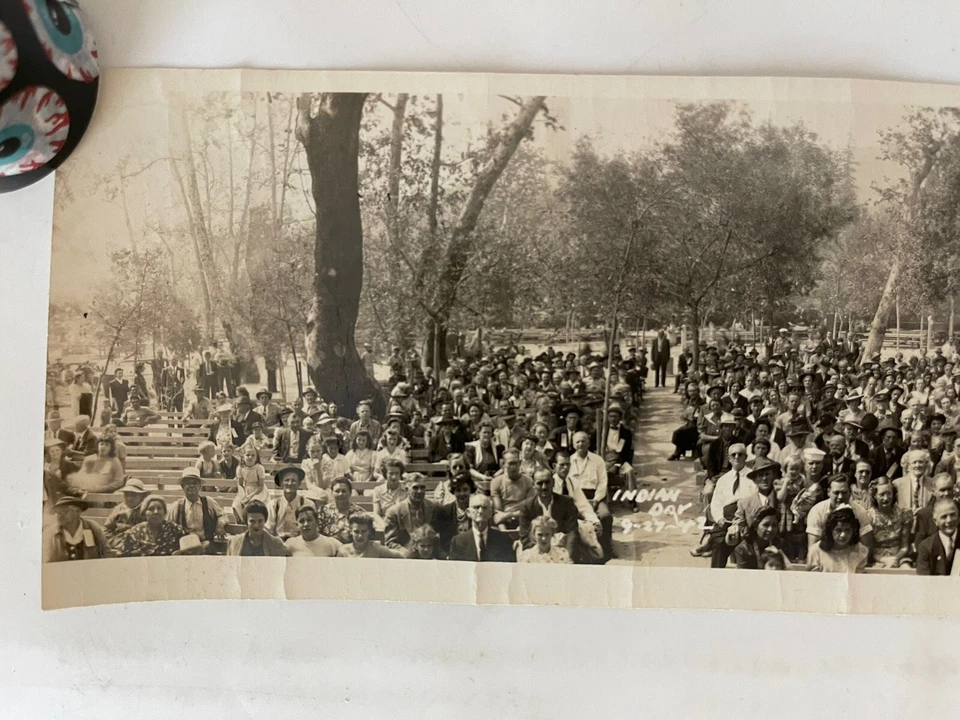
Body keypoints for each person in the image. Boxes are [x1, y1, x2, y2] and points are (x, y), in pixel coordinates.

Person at [517, 468, 579, 557]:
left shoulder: (567, 503)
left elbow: (572, 534)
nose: (544, 487)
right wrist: (540, 558)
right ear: (533, 484)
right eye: (539, 483)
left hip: (562, 554)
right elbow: (526, 538)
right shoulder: (526, 506)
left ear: (553, 482)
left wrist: (566, 558)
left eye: (547, 482)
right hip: (536, 555)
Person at [806, 475, 874, 551]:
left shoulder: (860, 511)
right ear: (828, 492)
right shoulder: (817, 511)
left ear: (850, 492)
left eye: (844, 492)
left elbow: (867, 547)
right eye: (836, 493)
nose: (840, 497)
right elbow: (813, 549)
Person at [166, 468, 226, 550]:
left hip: (207, 545)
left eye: (195, 483)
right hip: (185, 548)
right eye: (188, 483)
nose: (192, 486)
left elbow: (223, 515)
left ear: (200, 486)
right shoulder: (177, 506)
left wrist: (220, 524)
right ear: (182, 486)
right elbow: (168, 526)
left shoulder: (208, 502)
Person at [113, 495, 190, 557]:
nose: (156, 512)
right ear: (144, 513)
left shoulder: (176, 530)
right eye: (151, 509)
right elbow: (124, 557)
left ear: (165, 512)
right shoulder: (134, 533)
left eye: (159, 508)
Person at [448, 494, 516, 562]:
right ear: (468, 513)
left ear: (490, 513)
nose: (480, 511)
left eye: (484, 507)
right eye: (476, 507)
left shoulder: (503, 540)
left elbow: (508, 569)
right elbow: (454, 570)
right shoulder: (458, 542)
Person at [43, 496, 110, 562]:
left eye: (64, 511)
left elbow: (105, 552)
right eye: (57, 512)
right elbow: (46, 560)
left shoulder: (93, 528)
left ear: (78, 511)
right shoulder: (51, 533)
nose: (60, 515)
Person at [806, 506, 869, 573]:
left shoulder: (860, 550)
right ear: (830, 530)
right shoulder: (815, 551)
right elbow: (813, 579)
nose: (843, 535)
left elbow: (858, 579)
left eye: (847, 530)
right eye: (838, 530)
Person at [384, 474, 438, 550]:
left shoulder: (434, 507)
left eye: (422, 487)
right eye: (415, 488)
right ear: (407, 489)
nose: (419, 491)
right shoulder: (394, 512)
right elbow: (390, 542)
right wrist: (407, 554)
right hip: (405, 556)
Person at [868, 478, 913, 568]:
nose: (886, 498)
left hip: (899, 557)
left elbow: (905, 546)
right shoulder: (869, 517)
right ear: (875, 496)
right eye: (882, 494)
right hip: (877, 558)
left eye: (889, 493)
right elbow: (868, 549)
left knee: (906, 569)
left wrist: (894, 559)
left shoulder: (904, 515)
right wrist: (885, 560)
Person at [266, 465, 316, 540]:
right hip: (278, 542)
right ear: (281, 483)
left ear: (299, 484)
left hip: (301, 542)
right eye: (287, 480)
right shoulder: (273, 505)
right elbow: (268, 529)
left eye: (293, 480)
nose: (290, 483)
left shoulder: (308, 504)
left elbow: (312, 529)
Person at [490, 449, 535, 530]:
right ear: (503, 464)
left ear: (520, 463)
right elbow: (498, 513)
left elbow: (529, 510)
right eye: (510, 463)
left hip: (523, 520)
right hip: (503, 522)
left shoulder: (528, 481)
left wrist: (509, 515)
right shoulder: (496, 482)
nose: (513, 467)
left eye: (515, 463)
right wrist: (504, 532)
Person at [731, 506, 788, 570]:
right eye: (766, 525)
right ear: (756, 526)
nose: (770, 529)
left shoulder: (780, 545)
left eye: (774, 525)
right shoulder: (743, 549)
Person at [431, 473, 476, 554]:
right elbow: (442, 539)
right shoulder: (445, 511)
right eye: (458, 490)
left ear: (470, 490)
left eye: (465, 490)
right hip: (451, 552)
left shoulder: (477, 510)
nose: (462, 493)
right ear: (453, 492)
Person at [916, 498, 959, 575]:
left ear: (958, 517)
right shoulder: (925, 547)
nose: (949, 520)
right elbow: (923, 581)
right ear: (935, 521)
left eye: (953, 515)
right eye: (944, 517)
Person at [317, 477, 366, 544]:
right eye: (337, 491)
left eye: (344, 491)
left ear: (350, 493)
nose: (341, 494)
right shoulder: (323, 511)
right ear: (332, 493)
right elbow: (317, 534)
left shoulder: (359, 512)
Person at [340, 513, 404, 558]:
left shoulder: (377, 549)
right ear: (350, 531)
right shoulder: (343, 551)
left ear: (369, 531)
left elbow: (399, 556)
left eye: (364, 531)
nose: (360, 535)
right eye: (356, 532)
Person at [371, 458, 408, 524]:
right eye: (391, 473)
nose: (394, 477)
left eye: (397, 473)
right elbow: (376, 515)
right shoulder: (378, 490)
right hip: (383, 523)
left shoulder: (406, 490)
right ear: (385, 474)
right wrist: (384, 526)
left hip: (402, 524)